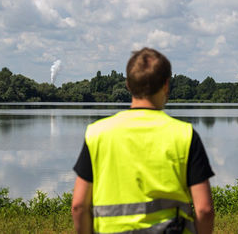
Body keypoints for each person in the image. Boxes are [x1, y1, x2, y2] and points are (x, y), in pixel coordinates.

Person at [71, 48, 215, 234]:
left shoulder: (97, 133)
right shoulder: (185, 135)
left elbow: (79, 206)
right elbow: (204, 209)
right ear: (166, 85)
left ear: (128, 85)